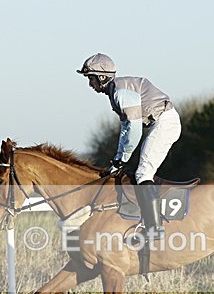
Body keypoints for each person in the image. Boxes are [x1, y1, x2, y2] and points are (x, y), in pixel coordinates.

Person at [77, 53, 181, 240]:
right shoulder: (116, 91)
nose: (90, 84)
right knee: (138, 172)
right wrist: (119, 158)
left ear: (102, 77)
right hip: (159, 122)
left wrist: (121, 159)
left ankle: (154, 229)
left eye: (91, 79)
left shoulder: (120, 92)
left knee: (143, 173)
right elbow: (126, 130)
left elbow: (133, 131)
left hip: (165, 123)